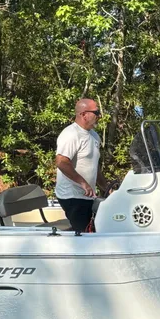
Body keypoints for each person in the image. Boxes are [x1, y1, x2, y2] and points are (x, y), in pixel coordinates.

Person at [55, 98, 109, 232]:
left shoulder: (94, 136)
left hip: (88, 196)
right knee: (84, 234)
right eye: (96, 113)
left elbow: (94, 166)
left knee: (93, 229)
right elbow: (61, 162)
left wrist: (106, 187)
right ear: (84, 114)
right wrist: (83, 183)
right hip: (72, 196)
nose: (99, 116)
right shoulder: (71, 134)